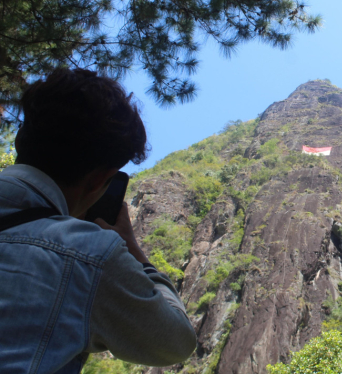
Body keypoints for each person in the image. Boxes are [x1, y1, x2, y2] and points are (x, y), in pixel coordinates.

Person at [0, 69, 197, 373]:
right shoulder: (88, 253)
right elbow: (176, 341)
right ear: (98, 180)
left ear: (22, 138)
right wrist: (133, 251)